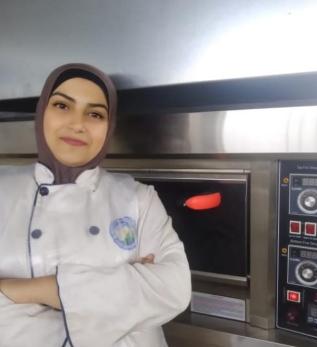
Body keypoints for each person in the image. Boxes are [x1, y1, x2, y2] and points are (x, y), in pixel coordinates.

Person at [0, 63, 191, 347]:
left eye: (94, 113)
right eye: (62, 106)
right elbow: (150, 293)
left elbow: (174, 288)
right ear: (42, 113)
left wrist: (19, 289)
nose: (78, 124)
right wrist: (123, 290)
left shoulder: (137, 197)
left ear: (109, 125)